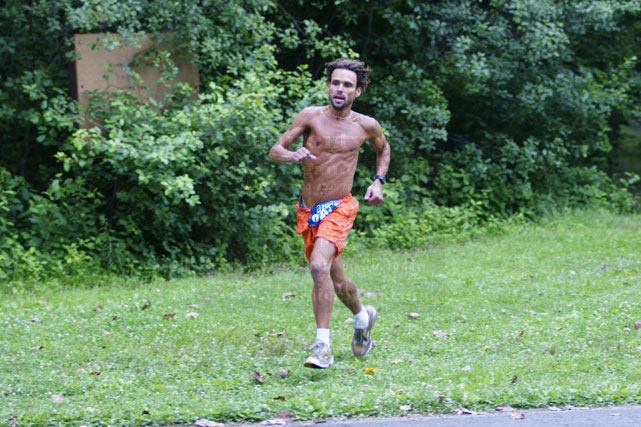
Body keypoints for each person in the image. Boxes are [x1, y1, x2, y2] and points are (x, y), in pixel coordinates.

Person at [268, 58, 391, 369]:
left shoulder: (366, 125)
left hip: (340, 207)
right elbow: (275, 150)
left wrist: (378, 181)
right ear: (328, 86)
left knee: (317, 266)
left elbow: (383, 148)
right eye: (335, 82)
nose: (339, 88)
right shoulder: (310, 116)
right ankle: (362, 318)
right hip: (309, 211)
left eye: (347, 85)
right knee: (337, 281)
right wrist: (291, 155)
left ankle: (322, 345)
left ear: (357, 91)